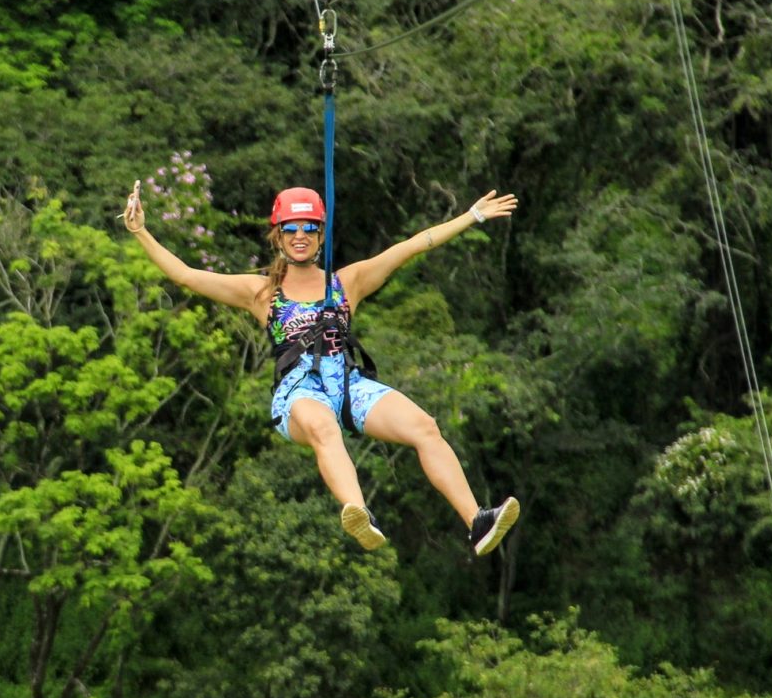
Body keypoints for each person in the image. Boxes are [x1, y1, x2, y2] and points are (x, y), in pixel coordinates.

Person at [122, 180, 521, 556]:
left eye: (309, 228)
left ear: (320, 235)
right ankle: (358, 511)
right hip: (299, 392)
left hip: (347, 383)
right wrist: (141, 231)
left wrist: (473, 216)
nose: (300, 236)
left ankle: (476, 521)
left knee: (424, 427)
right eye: (291, 228)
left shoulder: (348, 282)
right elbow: (186, 276)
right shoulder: (261, 292)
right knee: (324, 427)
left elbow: (413, 246)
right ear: (277, 236)